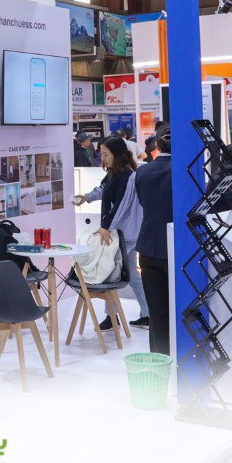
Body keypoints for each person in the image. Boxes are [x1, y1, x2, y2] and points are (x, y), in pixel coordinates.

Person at [73, 136, 149, 329]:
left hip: (123, 234)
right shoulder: (116, 174)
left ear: (117, 154)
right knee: (131, 274)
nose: (103, 158)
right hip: (123, 233)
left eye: (106, 154)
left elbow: (121, 206)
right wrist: (86, 197)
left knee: (109, 272)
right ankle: (146, 314)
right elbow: (103, 189)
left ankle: (113, 317)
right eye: (102, 154)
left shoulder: (127, 176)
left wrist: (106, 226)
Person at [132, 123, 174, 355]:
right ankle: (180, 358)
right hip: (177, 248)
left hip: (148, 246)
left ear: (157, 144)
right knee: (180, 307)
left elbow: (142, 202)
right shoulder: (186, 171)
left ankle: (159, 359)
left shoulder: (142, 172)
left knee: (156, 310)